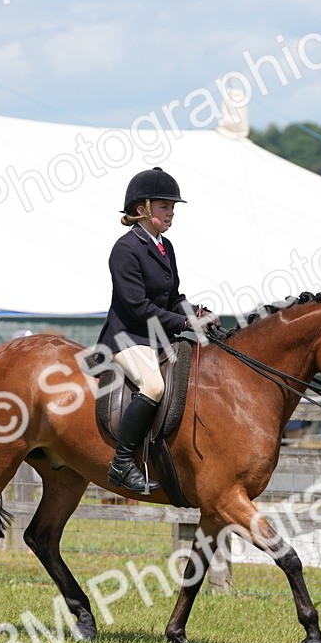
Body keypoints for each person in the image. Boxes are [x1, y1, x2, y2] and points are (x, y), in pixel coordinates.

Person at [96, 166, 218, 494]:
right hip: (127, 337)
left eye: (173, 208)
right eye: (165, 206)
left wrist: (197, 313)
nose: (171, 213)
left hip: (158, 335)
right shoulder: (126, 249)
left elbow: (173, 297)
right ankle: (122, 464)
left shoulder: (166, 246)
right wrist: (183, 323)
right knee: (153, 386)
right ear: (142, 209)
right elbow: (137, 307)